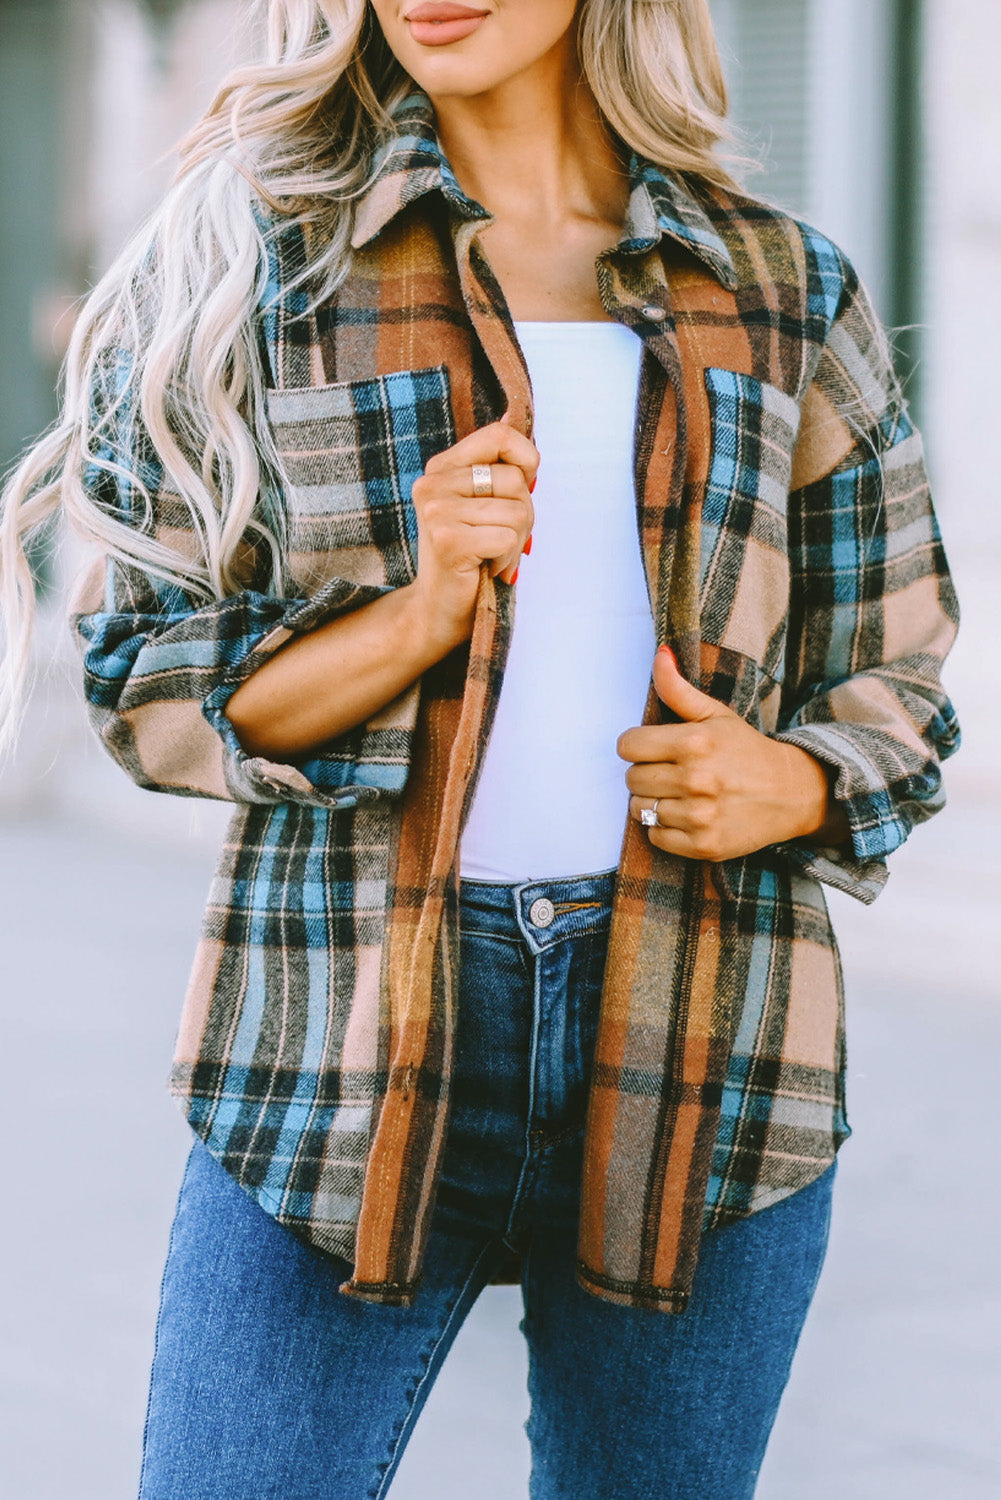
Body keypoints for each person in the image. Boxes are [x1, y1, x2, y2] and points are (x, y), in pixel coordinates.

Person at [0, 1, 960, 1496]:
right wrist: (415, 613)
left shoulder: (781, 290)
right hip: (336, 1043)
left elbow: (893, 670)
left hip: (705, 1042)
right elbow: (140, 682)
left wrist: (799, 781)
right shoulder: (257, 270)